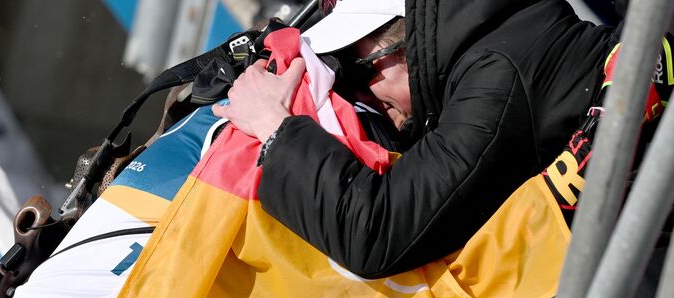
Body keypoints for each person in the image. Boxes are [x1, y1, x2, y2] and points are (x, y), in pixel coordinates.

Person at [212, 0, 624, 279]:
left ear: (411, 38)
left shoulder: (500, 75)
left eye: (358, 70)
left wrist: (274, 127)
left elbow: (376, 233)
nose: (360, 96)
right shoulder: (501, 46)